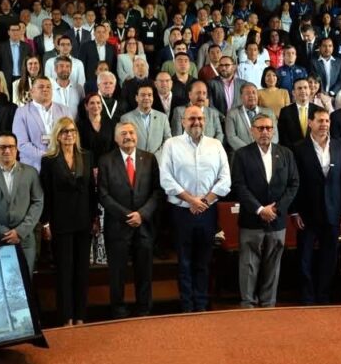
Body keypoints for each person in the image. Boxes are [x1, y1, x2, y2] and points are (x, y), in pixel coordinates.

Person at [160, 105, 231, 312]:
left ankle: (201, 304)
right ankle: (187, 306)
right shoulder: (171, 145)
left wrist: (204, 202)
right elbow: (166, 179)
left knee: (204, 261)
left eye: (199, 118)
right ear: (183, 121)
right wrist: (191, 200)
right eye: (191, 119)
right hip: (181, 212)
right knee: (184, 262)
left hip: (208, 212)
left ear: (205, 121)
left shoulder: (215, 145)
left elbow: (225, 179)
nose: (196, 122)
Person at [231, 113, 299, 308]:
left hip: (277, 220)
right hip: (251, 220)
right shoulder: (242, 154)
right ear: (252, 131)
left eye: (268, 128)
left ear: (273, 131)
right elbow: (239, 186)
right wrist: (260, 209)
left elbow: (294, 183)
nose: (264, 132)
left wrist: (276, 209)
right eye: (260, 128)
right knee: (248, 265)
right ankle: (248, 304)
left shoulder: (285, 153)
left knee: (273, 265)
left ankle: (268, 304)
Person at [98, 121, 161, 318]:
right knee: (117, 273)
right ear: (116, 139)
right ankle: (118, 310)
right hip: (117, 226)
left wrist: (142, 214)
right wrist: (127, 215)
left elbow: (157, 192)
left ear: (137, 136)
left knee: (144, 271)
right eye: (123, 133)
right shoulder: (106, 161)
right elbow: (103, 194)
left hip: (144, 225)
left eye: (131, 132)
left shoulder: (149, 159)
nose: (128, 136)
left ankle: (144, 308)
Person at [40, 117, 98, 326]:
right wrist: (45, 223)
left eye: (72, 131)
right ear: (57, 135)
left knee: (82, 272)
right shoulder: (49, 160)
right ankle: (66, 317)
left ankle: (80, 316)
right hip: (60, 223)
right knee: (64, 272)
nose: (69, 135)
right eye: (64, 131)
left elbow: (92, 190)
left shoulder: (86, 156)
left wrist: (95, 218)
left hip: (83, 221)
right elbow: (46, 193)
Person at [291, 109, 341, 304]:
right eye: (320, 121)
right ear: (310, 123)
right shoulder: (298, 148)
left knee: (329, 258)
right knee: (305, 259)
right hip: (307, 213)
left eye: (327, 121)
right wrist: (294, 211)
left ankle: (324, 296)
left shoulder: (340, 147)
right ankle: (307, 298)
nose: (324, 124)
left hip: (333, 212)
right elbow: (294, 182)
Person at [0, 132, 44, 277]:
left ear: (17, 148)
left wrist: (20, 231)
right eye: (2, 147)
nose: (7, 151)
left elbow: (38, 202)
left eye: (11, 147)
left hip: (25, 239)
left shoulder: (31, 173)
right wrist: (2, 232)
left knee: (25, 282)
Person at [11, 76, 71, 172]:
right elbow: (22, 144)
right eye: (41, 87)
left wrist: (58, 157)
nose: (45, 89)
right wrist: (47, 157)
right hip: (33, 167)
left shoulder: (64, 110)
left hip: (61, 165)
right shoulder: (21, 112)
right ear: (32, 92)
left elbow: (71, 136)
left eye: (48, 87)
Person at [119, 83, 172, 161]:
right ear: (136, 98)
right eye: (143, 95)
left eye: (149, 95)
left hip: (158, 162)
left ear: (153, 98)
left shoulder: (163, 117)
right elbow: (125, 142)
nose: (146, 98)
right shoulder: (126, 118)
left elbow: (168, 140)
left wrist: (155, 157)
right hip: (136, 162)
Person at [225, 82, 278, 154]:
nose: (251, 96)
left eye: (254, 93)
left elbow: (275, 134)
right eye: (247, 93)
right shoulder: (232, 114)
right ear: (241, 97)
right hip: (243, 155)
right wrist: (250, 151)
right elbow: (231, 137)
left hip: (267, 153)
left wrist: (265, 149)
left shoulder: (268, 112)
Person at [277, 78, 322, 148]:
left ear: (309, 90)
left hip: (315, 151)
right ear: (293, 93)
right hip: (292, 152)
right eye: (299, 88)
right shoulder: (285, 112)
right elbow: (283, 138)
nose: (303, 91)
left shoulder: (319, 110)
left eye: (305, 87)